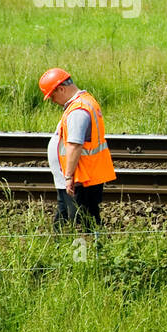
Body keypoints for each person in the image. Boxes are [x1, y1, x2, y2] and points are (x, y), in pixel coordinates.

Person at [38, 68, 116, 229]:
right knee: (65, 219)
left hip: (80, 179)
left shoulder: (78, 110)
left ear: (61, 88)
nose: (52, 100)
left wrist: (68, 177)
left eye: (52, 95)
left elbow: (74, 144)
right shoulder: (82, 103)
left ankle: (87, 252)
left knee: (82, 222)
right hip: (78, 178)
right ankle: (62, 250)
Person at [46, 113, 79, 228]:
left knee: (64, 203)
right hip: (64, 160)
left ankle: (58, 235)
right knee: (70, 204)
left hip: (62, 158)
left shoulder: (77, 106)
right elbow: (75, 144)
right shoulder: (79, 108)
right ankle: (75, 234)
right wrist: (69, 176)